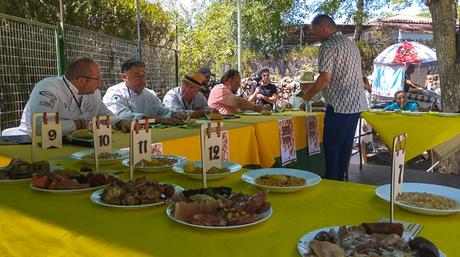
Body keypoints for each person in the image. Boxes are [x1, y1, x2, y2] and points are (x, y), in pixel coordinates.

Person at [301, 15, 368, 181]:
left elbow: (325, 78)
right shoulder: (350, 44)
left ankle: (332, 181)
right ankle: (340, 178)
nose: (315, 36)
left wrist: (306, 97)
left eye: (315, 32)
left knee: (332, 147)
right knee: (345, 146)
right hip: (356, 104)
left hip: (339, 105)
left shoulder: (328, 46)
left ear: (324, 28)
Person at [19, 57, 131, 135]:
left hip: (71, 143)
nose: (100, 83)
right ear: (82, 80)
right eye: (97, 79)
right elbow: (40, 126)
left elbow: (103, 114)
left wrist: (119, 122)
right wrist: (78, 124)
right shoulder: (48, 88)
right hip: (31, 144)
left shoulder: (93, 92)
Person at [103, 59, 183, 125]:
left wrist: (175, 114)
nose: (142, 79)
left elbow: (161, 111)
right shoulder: (115, 93)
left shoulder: (150, 94)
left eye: (144, 75)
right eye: (137, 75)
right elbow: (123, 116)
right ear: (125, 77)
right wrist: (158, 120)